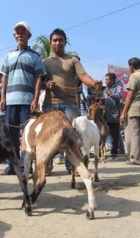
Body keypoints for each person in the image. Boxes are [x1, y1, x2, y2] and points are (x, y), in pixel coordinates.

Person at [42, 28, 101, 174]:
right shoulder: (45, 62)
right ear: (51, 43)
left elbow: (83, 75)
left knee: (73, 136)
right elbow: (39, 81)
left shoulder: (73, 60)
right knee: (48, 135)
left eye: (60, 40)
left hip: (70, 104)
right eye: (55, 40)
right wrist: (46, 84)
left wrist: (92, 83)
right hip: (50, 104)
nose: (58, 43)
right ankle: (47, 166)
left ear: (65, 42)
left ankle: (72, 166)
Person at [0, 21, 46, 175]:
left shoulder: (35, 56)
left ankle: (26, 166)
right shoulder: (8, 56)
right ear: (14, 36)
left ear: (28, 36)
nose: (20, 35)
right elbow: (4, 78)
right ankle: (13, 166)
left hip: (27, 101)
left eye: (23, 32)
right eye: (17, 33)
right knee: (10, 136)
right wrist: (2, 97)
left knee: (27, 136)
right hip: (10, 101)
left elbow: (39, 78)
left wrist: (35, 99)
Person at [120, 57, 140, 165]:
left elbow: (130, 95)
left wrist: (123, 112)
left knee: (134, 134)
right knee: (139, 134)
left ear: (131, 67)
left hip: (134, 108)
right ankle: (138, 156)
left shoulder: (134, 76)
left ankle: (136, 158)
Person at [101, 73, 123, 158]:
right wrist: (101, 100)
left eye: (108, 80)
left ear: (113, 80)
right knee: (105, 134)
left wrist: (112, 95)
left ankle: (114, 152)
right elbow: (104, 100)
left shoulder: (118, 88)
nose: (106, 81)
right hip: (106, 115)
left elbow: (119, 97)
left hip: (115, 115)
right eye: (105, 80)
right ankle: (103, 151)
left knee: (115, 135)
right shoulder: (105, 90)